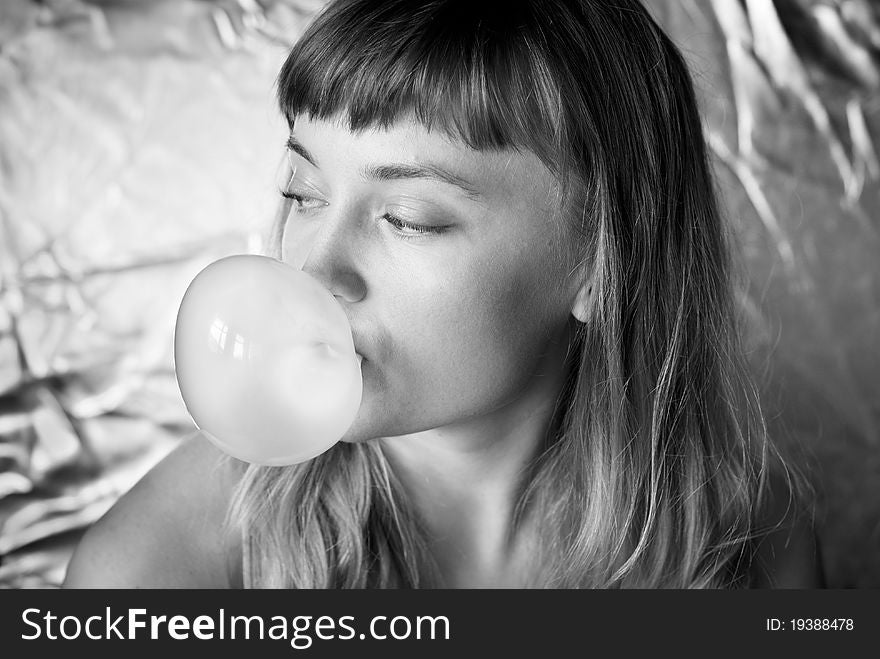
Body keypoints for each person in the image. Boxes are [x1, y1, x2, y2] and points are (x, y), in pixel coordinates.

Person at [63, 0, 825, 588]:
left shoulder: (751, 547)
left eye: (408, 218)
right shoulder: (159, 573)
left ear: (602, 265)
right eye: (303, 191)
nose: (316, 273)